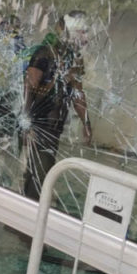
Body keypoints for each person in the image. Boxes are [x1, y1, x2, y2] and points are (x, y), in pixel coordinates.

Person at [21, 14, 91, 200]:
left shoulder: (74, 60)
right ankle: (23, 221)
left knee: (40, 172)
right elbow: (29, 86)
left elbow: (77, 93)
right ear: (67, 30)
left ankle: (26, 217)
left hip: (54, 126)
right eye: (82, 31)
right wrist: (26, 122)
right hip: (39, 125)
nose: (85, 37)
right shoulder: (45, 53)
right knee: (38, 173)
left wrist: (86, 122)